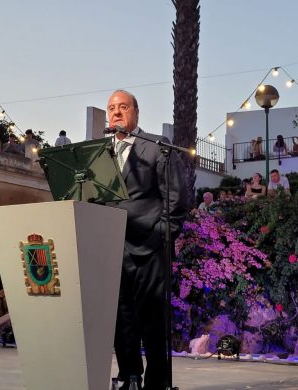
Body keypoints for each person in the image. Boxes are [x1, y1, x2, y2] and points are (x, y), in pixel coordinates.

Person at [107, 90, 187, 389]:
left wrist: (161, 237)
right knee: (121, 317)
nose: (116, 112)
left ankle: (157, 382)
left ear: (136, 112)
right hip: (113, 248)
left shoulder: (156, 146)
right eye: (112, 108)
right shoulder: (102, 152)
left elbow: (177, 199)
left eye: (123, 107)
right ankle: (130, 376)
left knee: (153, 320)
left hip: (150, 248)